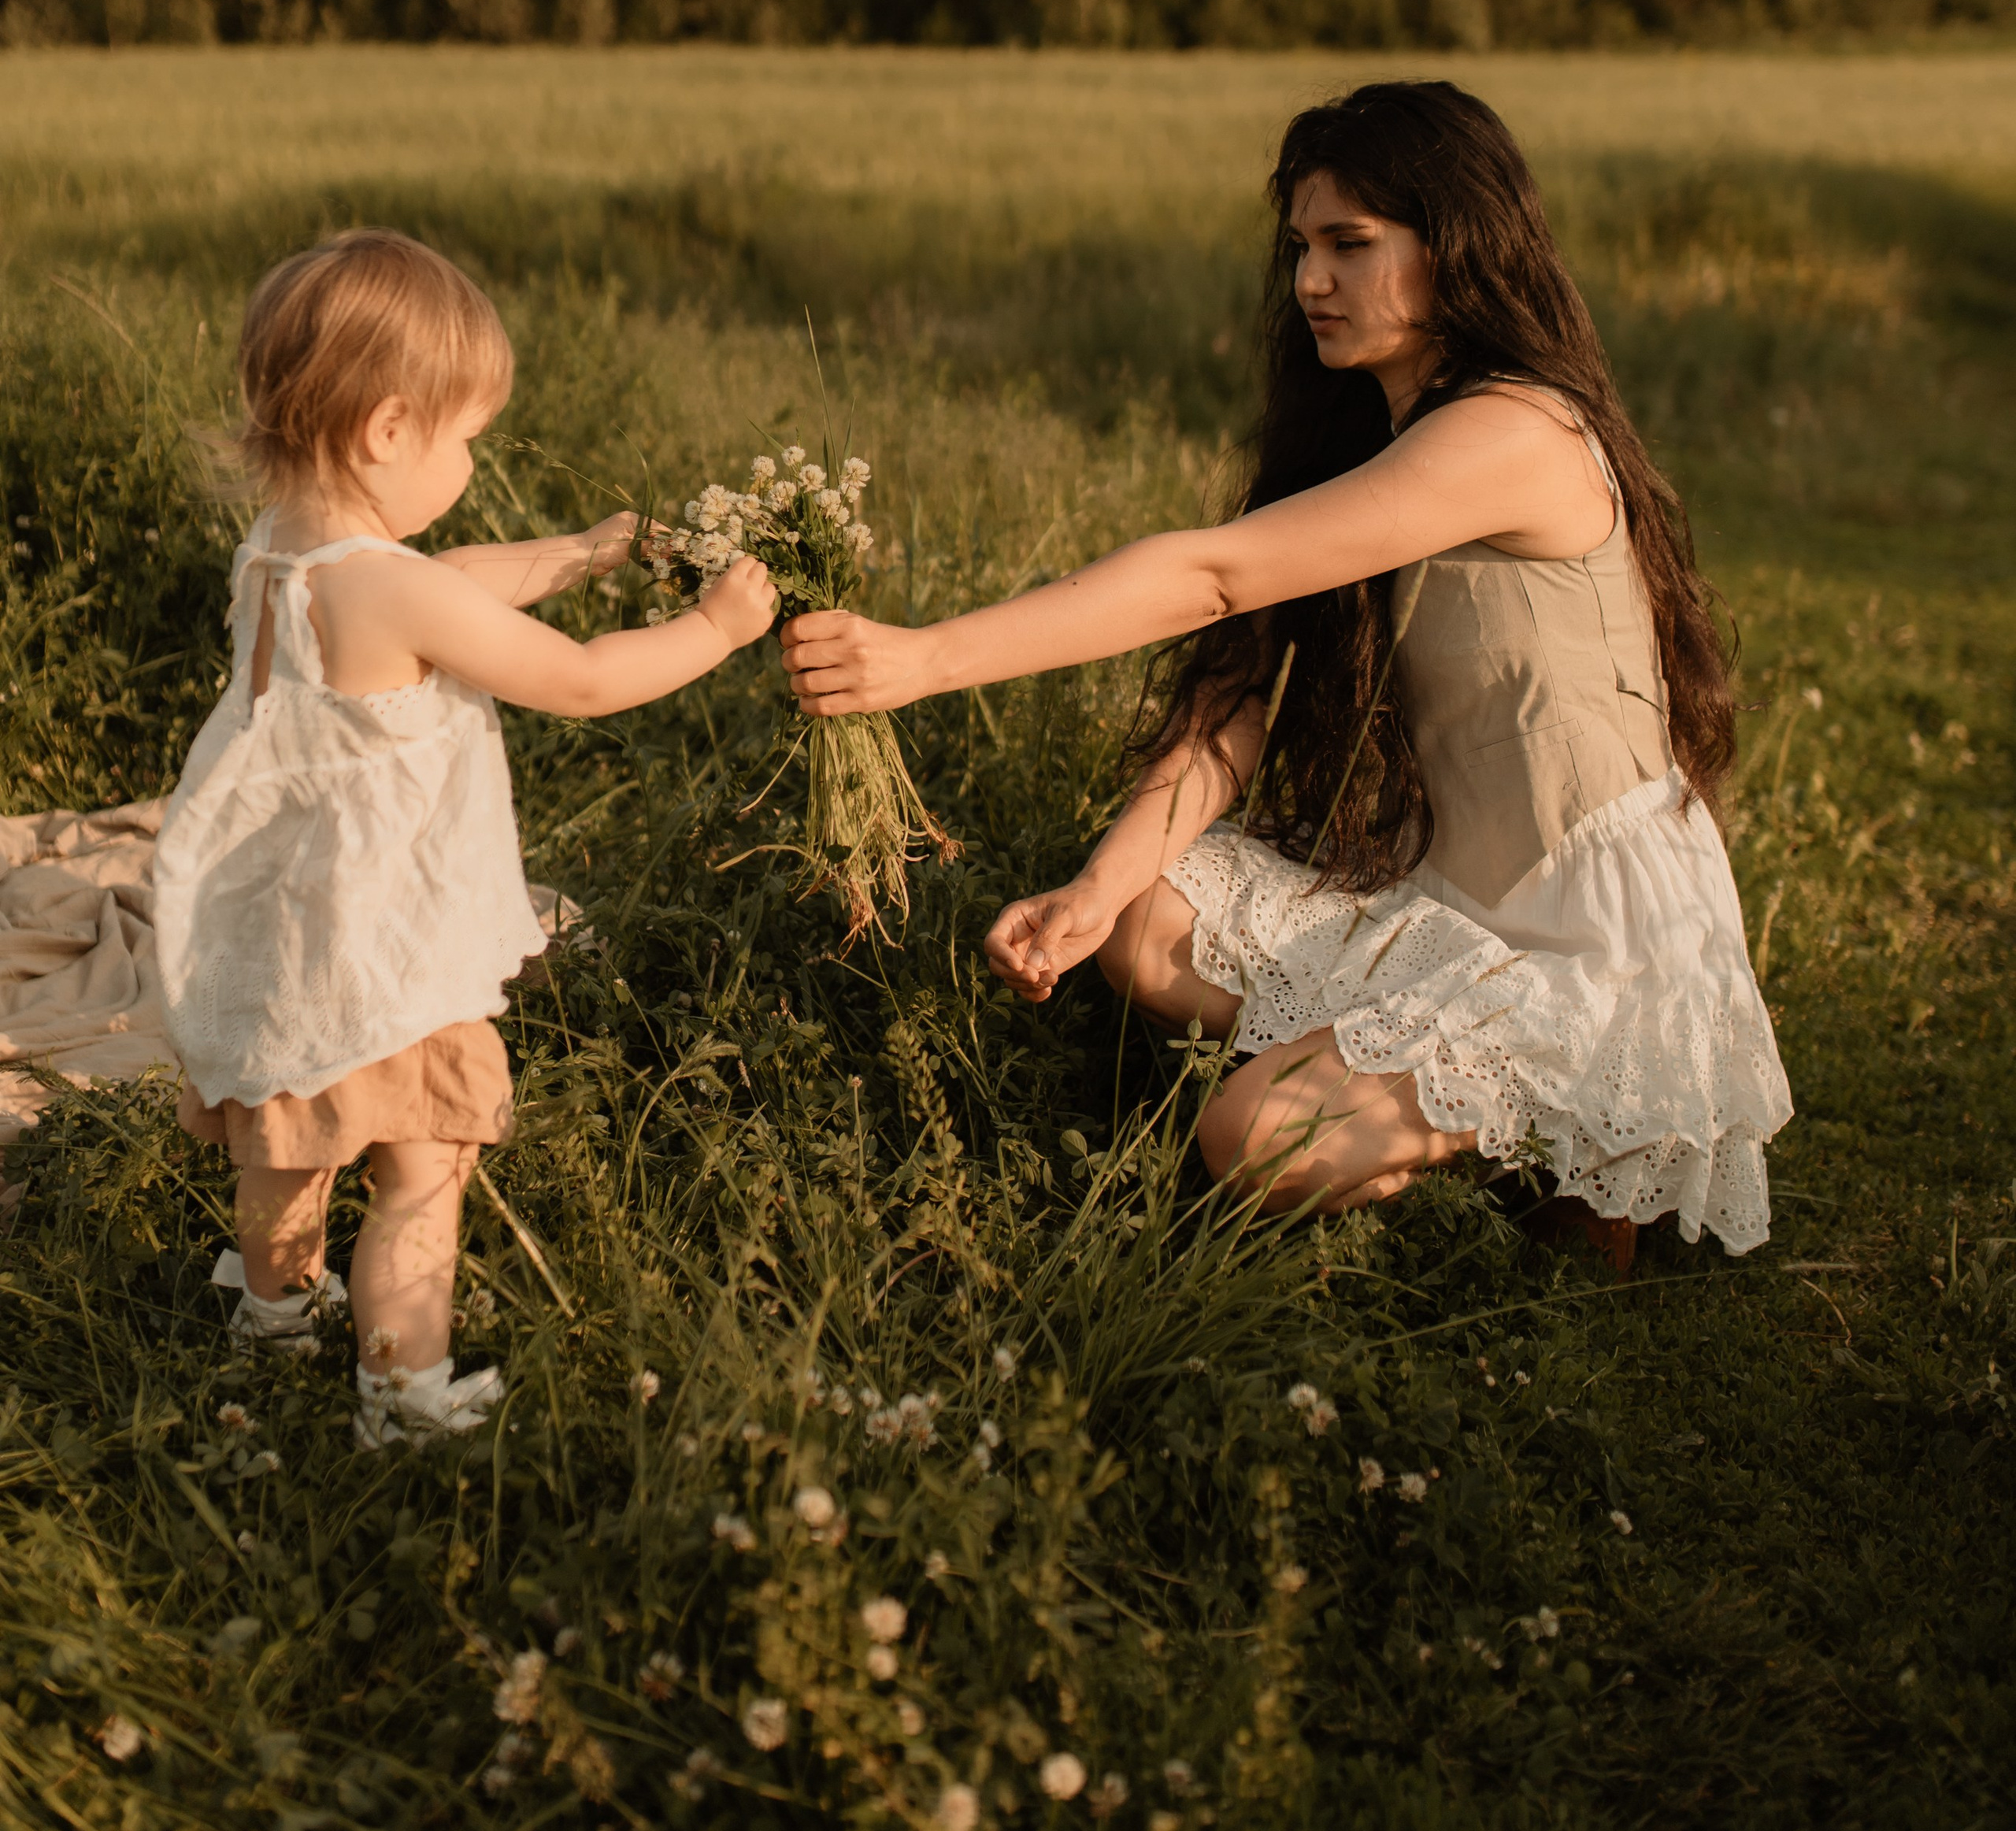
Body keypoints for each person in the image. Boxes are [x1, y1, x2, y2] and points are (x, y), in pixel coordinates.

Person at [784, 80, 1791, 1257]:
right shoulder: (1383, 431)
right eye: (1302, 245)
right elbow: (1239, 697)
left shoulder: (1517, 432)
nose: (1312, 280)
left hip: (1594, 941)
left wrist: (926, 656)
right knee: (1144, 923)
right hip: (1458, 903)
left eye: (1351, 246)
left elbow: (1211, 575)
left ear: (1458, 245)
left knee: (1251, 1137)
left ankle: (1554, 1149)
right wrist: (1093, 892)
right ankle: (1503, 1132)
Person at [154, 229, 777, 1444]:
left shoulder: (284, 548)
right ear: (390, 430)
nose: (472, 458)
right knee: (418, 1175)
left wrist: (584, 549)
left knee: (287, 1153)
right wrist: (715, 626)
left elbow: (450, 574)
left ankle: (274, 1323)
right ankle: (403, 1395)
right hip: (386, 961)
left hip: (286, 935)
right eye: (465, 435)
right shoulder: (393, 590)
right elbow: (586, 680)